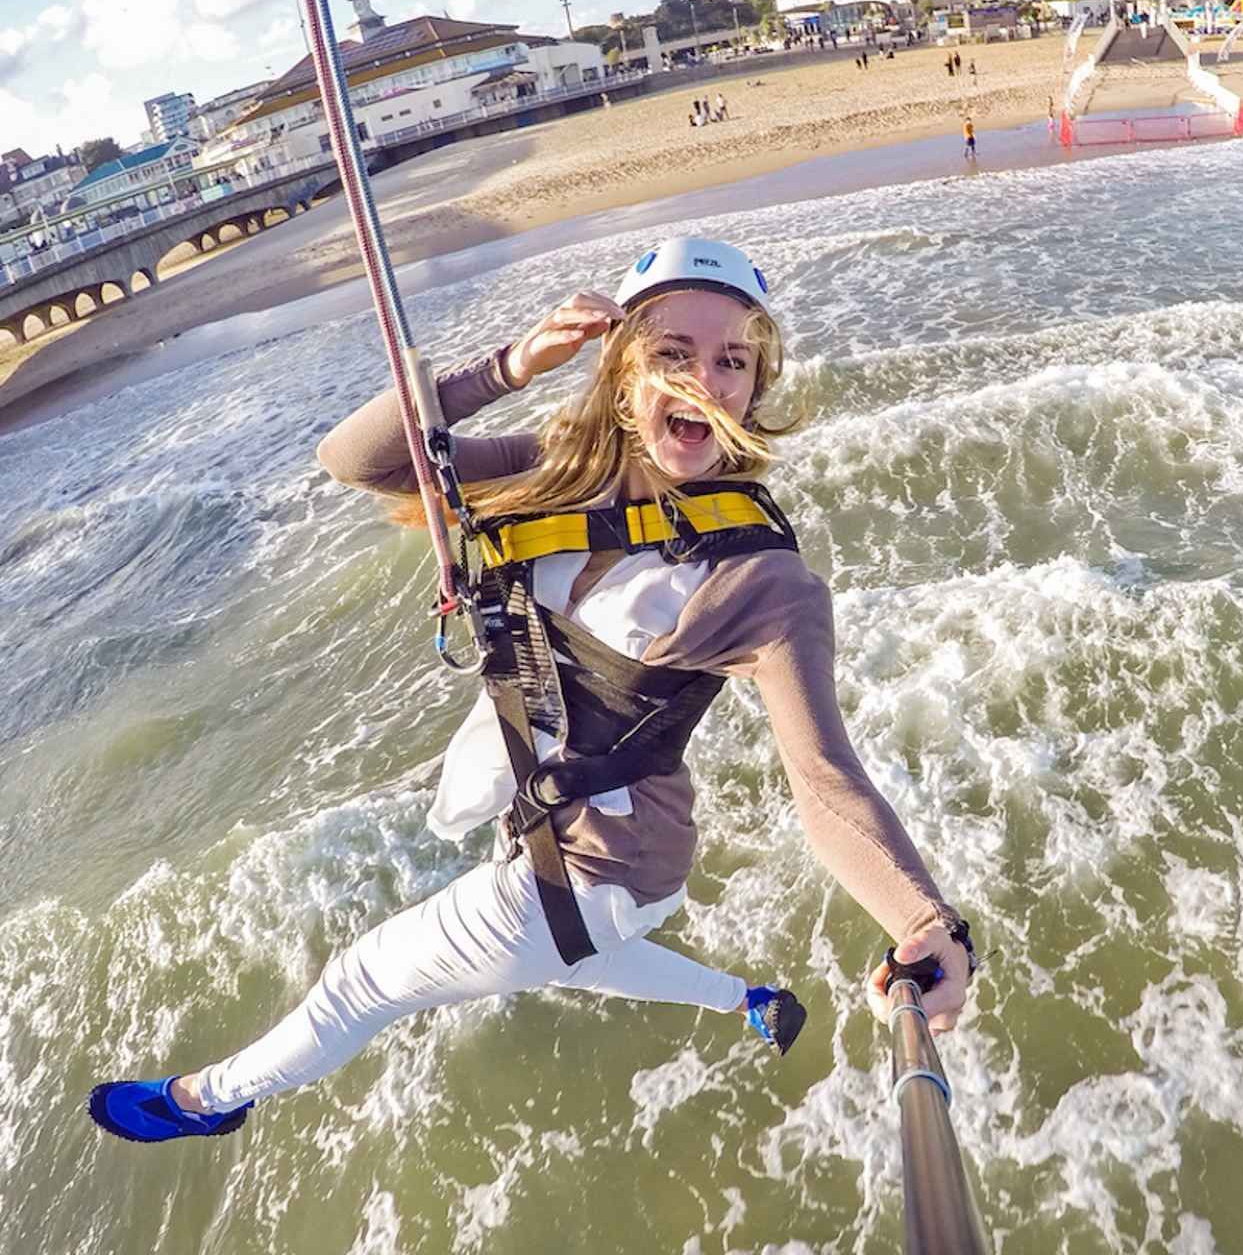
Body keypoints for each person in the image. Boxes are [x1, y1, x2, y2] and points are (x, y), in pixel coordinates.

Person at [87, 238, 977, 1143]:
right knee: (582, 962)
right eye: (672, 352)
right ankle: (750, 998)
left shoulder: (761, 580)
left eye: (732, 361)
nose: (704, 379)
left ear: (755, 383)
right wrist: (507, 365)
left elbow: (824, 779)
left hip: (593, 873)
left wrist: (927, 920)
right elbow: (356, 459)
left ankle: (203, 1101)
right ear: (624, 373)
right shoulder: (560, 472)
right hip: (598, 860)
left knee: (365, 979)